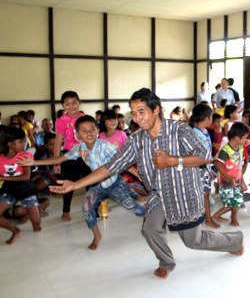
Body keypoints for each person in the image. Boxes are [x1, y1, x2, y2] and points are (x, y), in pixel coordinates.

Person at [49, 88, 244, 279]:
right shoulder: (137, 139)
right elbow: (111, 166)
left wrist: (174, 160)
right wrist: (75, 185)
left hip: (184, 194)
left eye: (141, 111)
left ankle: (235, 241)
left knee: (194, 241)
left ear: (156, 110)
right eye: (133, 113)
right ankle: (166, 261)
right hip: (158, 194)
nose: (137, 118)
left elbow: (204, 156)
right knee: (149, 229)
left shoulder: (179, 130)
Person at [19, 115, 146, 250]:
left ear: (97, 130)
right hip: (96, 186)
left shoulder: (106, 146)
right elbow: (60, 158)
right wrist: (34, 162)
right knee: (87, 210)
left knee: (132, 207)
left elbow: (123, 163)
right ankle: (97, 235)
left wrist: (140, 176)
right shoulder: (79, 148)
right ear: (78, 135)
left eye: (92, 129)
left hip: (114, 183)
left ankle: (152, 215)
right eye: (84, 131)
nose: (89, 133)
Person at [0, 127, 41, 245]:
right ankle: (15, 230)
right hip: (9, 188)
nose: (25, 143)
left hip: (25, 187)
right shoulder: (0, 158)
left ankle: (31, 211)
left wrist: (3, 178)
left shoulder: (24, 155)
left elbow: (26, 177)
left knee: (37, 225)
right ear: (10, 144)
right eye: (21, 141)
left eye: (25, 140)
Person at [54, 91, 86, 221]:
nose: (71, 106)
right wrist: (56, 162)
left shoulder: (85, 117)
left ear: (79, 103)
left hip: (86, 154)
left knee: (91, 182)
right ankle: (66, 210)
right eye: (67, 104)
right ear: (63, 106)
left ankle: (95, 207)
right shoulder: (61, 121)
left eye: (74, 103)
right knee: (69, 183)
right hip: (69, 156)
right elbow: (58, 141)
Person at [212, 122, 249, 226]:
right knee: (230, 203)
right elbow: (218, 165)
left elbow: (239, 166)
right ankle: (215, 216)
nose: (246, 140)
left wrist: (243, 181)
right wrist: (230, 178)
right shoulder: (225, 150)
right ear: (237, 138)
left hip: (236, 180)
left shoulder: (240, 148)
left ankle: (234, 218)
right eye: (245, 138)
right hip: (226, 182)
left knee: (238, 200)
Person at [189, 103, 219, 229]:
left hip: (205, 168)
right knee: (202, 195)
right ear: (206, 118)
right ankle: (205, 219)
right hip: (198, 170)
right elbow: (198, 157)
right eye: (211, 117)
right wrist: (212, 159)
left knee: (206, 194)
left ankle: (207, 218)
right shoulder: (195, 134)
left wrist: (210, 169)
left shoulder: (205, 131)